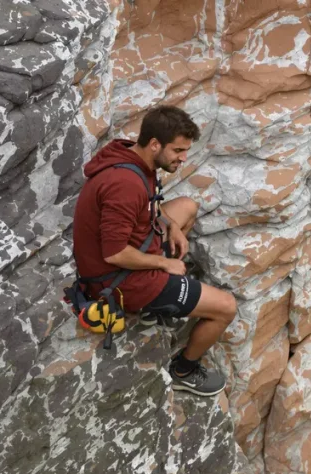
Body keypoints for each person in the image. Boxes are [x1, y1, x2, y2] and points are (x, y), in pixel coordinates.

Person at [71, 105, 237, 396]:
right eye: (178, 151)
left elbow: (149, 205)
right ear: (155, 144)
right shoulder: (124, 185)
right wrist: (163, 265)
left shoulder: (132, 158)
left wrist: (170, 225)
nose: (183, 158)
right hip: (119, 279)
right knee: (226, 308)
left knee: (187, 207)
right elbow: (115, 253)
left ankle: (160, 301)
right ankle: (184, 371)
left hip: (133, 251)